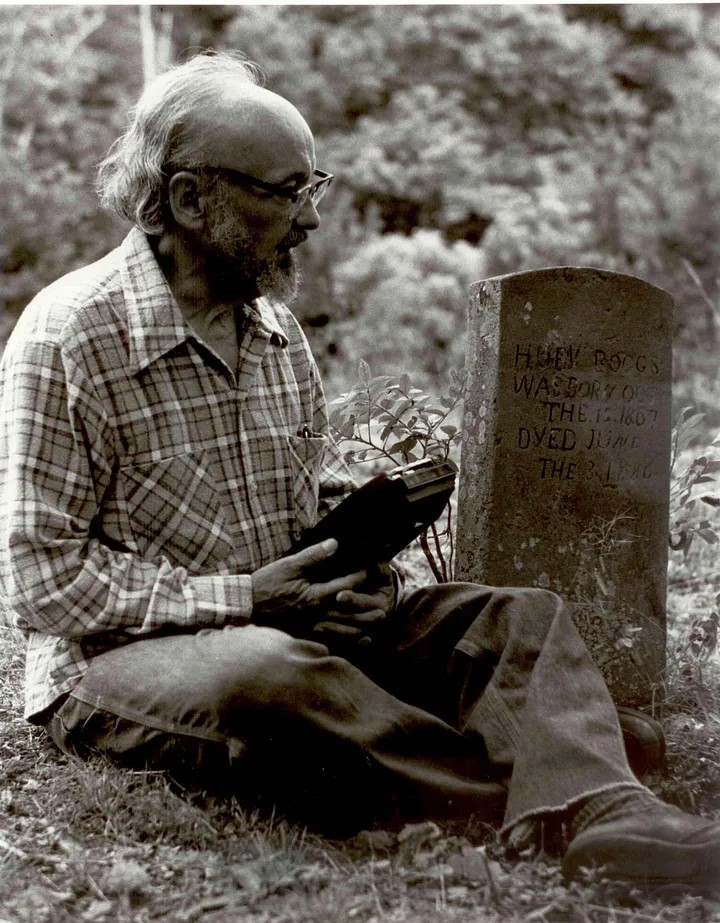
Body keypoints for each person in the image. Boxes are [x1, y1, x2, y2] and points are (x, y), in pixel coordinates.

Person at [0, 52, 717, 898]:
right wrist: (244, 598)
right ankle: (554, 781)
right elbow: (44, 586)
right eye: (286, 191)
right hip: (122, 663)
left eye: (315, 186)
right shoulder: (68, 337)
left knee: (514, 617)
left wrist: (364, 574)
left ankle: (596, 798)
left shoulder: (276, 334)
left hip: (294, 628)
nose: (310, 220)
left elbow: (302, 514)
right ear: (191, 199)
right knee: (266, 674)